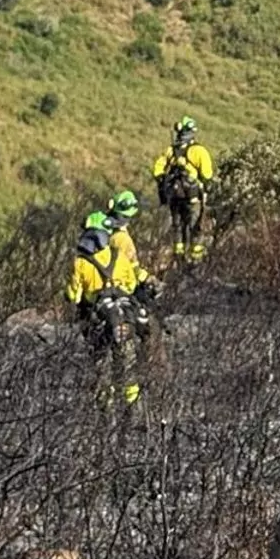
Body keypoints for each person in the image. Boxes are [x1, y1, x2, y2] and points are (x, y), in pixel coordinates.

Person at [66, 222, 149, 404]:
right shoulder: (118, 256)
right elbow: (131, 285)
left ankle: (105, 412)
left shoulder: (80, 263)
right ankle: (131, 410)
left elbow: (74, 295)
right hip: (125, 318)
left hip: (98, 323)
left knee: (100, 366)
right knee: (127, 367)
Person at [151, 116, 214, 263]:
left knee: (177, 227)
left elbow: (157, 170)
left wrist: (164, 181)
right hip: (193, 198)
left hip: (174, 197)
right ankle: (195, 260)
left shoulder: (171, 150)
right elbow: (207, 174)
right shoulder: (199, 151)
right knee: (195, 228)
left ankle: (178, 257)